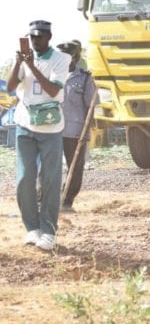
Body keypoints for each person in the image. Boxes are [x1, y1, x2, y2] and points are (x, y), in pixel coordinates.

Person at [7, 20, 70, 251]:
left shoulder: (61, 59)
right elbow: (10, 88)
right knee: (24, 179)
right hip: (25, 124)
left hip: (51, 127)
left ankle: (48, 231)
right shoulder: (24, 58)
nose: (35, 41)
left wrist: (32, 67)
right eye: (32, 37)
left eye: (39, 37)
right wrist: (18, 64)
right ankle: (32, 229)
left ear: (49, 37)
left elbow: (53, 90)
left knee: (50, 180)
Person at [57, 40, 97, 212]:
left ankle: (66, 201)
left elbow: (91, 106)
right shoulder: (50, 75)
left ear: (76, 57)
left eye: (69, 56)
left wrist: (86, 132)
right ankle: (41, 199)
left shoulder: (85, 78)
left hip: (75, 131)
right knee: (47, 165)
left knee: (75, 167)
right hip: (52, 129)